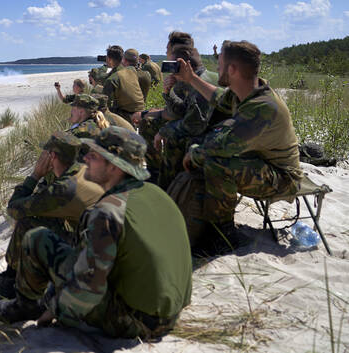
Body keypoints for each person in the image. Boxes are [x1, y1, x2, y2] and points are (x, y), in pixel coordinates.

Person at [0, 127, 192, 340]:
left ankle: (25, 307)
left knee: (37, 239)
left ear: (114, 167)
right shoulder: (158, 193)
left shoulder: (108, 211)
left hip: (135, 321)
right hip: (170, 315)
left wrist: (55, 308)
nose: (85, 158)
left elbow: (87, 291)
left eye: (94, 156)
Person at [175, 40, 302, 253]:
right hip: (260, 162)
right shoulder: (246, 92)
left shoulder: (262, 107)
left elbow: (221, 147)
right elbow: (217, 97)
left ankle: (222, 236)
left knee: (217, 164)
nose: (217, 68)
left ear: (232, 69)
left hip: (283, 178)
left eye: (220, 64)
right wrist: (191, 78)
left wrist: (194, 153)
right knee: (208, 153)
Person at [0, 132, 104, 304]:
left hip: (92, 260)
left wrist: (35, 175)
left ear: (52, 156)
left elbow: (14, 209)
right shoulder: (83, 171)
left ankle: (7, 285)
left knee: (27, 223)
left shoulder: (64, 189)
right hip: (104, 244)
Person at [153, 45, 224, 190]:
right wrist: (168, 93)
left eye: (174, 66)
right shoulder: (197, 79)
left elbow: (192, 125)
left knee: (174, 139)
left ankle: (166, 190)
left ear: (185, 66)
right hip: (209, 130)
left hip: (213, 135)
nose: (171, 72)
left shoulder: (201, 83)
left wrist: (163, 131)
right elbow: (182, 111)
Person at [101, 45, 145, 125]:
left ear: (109, 59)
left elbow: (104, 106)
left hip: (129, 116)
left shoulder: (113, 78)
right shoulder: (132, 70)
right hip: (141, 113)